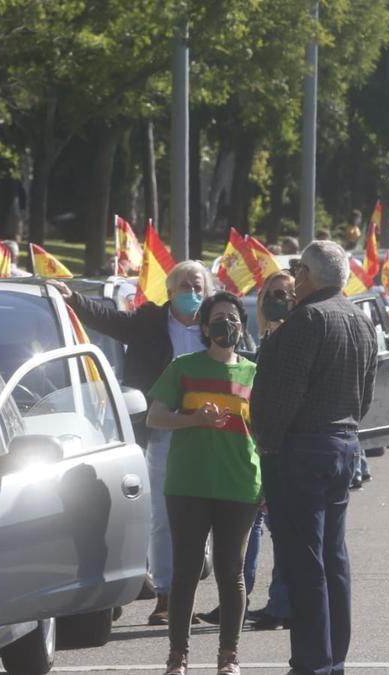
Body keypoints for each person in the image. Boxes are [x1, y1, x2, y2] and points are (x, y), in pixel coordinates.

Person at [48, 260, 214, 626]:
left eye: (198, 285)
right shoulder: (150, 322)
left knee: (206, 514)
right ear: (170, 291)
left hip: (211, 432)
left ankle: (197, 565)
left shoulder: (217, 323)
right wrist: (72, 297)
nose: (192, 292)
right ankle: (168, 595)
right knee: (163, 515)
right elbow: (110, 322)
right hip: (164, 427)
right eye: (184, 286)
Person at [250, 241, 378, 675]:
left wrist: (266, 443)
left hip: (300, 449)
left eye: (298, 270)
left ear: (308, 275)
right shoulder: (360, 320)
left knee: (304, 563)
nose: (295, 278)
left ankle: (313, 662)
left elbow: (284, 394)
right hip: (342, 443)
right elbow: (366, 395)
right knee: (332, 557)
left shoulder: (307, 320)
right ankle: (333, 658)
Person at [147, 291, 261, 675]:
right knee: (186, 570)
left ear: (242, 327)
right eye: (218, 317)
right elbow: (156, 417)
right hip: (188, 484)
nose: (225, 324)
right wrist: (194, 419)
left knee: (232, 572)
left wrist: (270, 487)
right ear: (204, 326)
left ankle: (228, 657)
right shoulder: (183, 367)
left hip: (239, 484)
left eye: (233, 318)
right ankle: (177, 656)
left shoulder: (253, 372)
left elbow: (263, 432)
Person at [197, 271, 295, 628]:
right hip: (256, 448)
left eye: (284, 293)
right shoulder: (264, 340)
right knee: (251, 527)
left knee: (279, 528)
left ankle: (281, 604)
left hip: (281, 448)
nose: (276, 299)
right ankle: (238, 599)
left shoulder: (295, 336)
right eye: (269, 293)